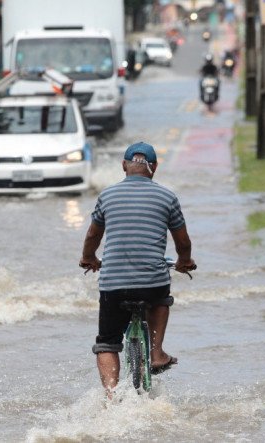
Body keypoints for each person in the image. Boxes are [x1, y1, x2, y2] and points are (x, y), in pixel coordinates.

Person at [79, 141, 196, 395]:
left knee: (107, 343)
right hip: (151, 282)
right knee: (161, 298)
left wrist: (89, 258)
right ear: (153, 168)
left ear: (124, 166)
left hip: (113, 284)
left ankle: (111, 398)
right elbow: (183, 242)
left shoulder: (107, 195)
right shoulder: (167, 196)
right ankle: (155, 353)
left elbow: (92, 236)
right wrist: (184, 261)